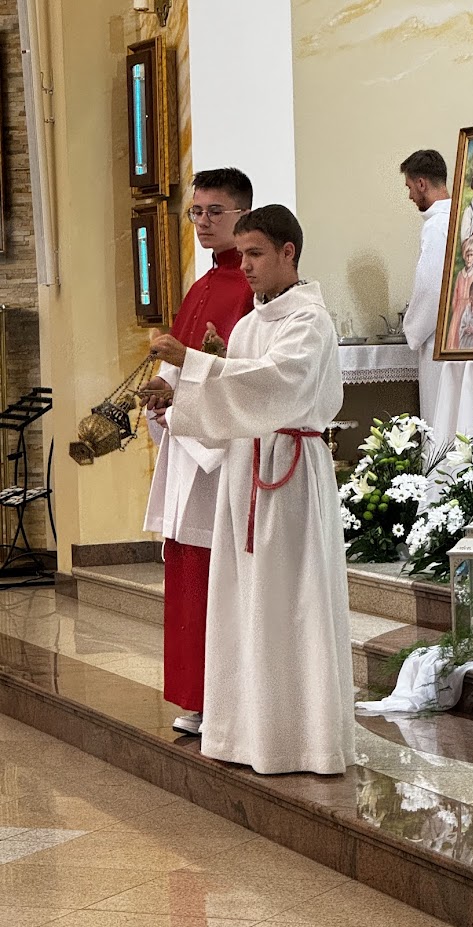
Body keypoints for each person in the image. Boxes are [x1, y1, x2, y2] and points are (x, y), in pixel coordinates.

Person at [149, 205, 355, 776]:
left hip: (289, 474)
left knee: (292, 600)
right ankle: (244, 733)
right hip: (245, 473)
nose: (245, 266)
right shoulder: (248, 324)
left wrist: (193, 363)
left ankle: (304, 741)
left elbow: (275, 384)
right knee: (245, 602)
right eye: (241, 254)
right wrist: (177, 399)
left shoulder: (309, 321)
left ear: (289, 252)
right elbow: (234, 398)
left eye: (256, 253)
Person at [143, 167, 254, 736]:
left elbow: (241, 377)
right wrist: (160, 395)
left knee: (217, 577)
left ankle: (225, 699)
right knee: (188, 573)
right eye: (196, 212)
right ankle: (197, 695)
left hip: (221, 454)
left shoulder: (251, 291)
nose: (203, 222)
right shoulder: (201, 286)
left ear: (242, 214)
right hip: (189, 450)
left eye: (215, 211)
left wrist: (182, 398)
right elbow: (181, 366)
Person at [400, 150, 451, 425]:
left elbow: (431, 290)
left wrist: (412, 329)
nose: (409, 196)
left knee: (440, 420)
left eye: (409, 187)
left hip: (439, 340)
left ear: (421, 184)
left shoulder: (436, 226)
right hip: (460, 339)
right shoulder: (465, 217)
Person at [446, 237, 473, 350]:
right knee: (454, 332)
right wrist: (454, 307)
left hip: (468, 307)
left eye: (471, 255)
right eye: (467, 255)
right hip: (459, 308)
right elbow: (455, 292)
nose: (469, 258)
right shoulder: (460, 274)